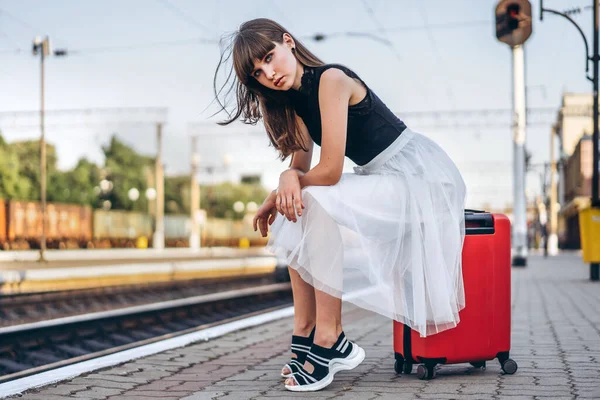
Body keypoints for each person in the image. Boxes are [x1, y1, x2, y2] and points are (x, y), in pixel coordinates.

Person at [214, 18, 467, 392]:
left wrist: (287, 183)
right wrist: (284, 187)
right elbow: (300, 169)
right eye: (258, 72)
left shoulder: (331, 79)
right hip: (384, 179)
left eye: (270, 57)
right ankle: (305, 329)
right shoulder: (295, 104)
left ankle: (331, 338)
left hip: (419, 179)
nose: (269, 73)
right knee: (295, 208)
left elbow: (329, 172)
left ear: (289, 42)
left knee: (310, 197)